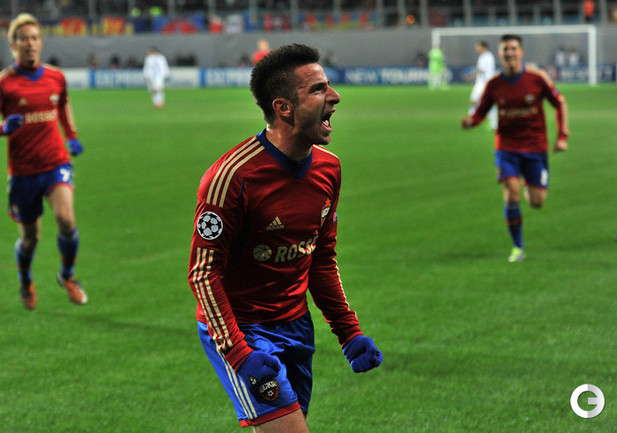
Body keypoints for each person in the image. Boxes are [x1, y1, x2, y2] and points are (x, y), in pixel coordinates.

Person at [188, 43, 383, 432]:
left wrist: (349, 332)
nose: (335, 97)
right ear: (283, 108)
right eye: (318, 90)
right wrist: (239, 353)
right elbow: (203, 274)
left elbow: (320, 259)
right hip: (242, 330)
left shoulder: (329, 169)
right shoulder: (232, 178)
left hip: (296, 326)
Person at [1, 13, 87, 310]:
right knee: (30, 238)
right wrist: (3, 128)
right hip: (23, 171)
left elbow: (63, 106)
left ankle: (68, 275)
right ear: (13, 44)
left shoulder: (55, 77)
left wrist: (71, 136)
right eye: (24, 39)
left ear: (41, 42)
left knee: (66, 219)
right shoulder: (5, 83)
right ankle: (25, 278)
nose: (31, 43)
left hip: (55, 162)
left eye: (35, 38)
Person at [461, 34, 569, 263]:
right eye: (505, 49)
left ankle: (525, 181)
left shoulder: (537, 78)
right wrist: (471, 122)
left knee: (537, 202)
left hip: (535, 147)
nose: (509, 53)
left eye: (513, 48)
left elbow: (559, 103)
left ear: (521, 52)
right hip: (506, 148)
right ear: (500, 54)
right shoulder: (494, 84)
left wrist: (562, 136)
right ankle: (517, 247)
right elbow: (481, 113)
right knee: (511, 193)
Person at [465, 41, 497, 130]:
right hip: (484, 82)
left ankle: (471, 119)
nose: (476, 49)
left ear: (483, 47)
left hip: (483, 83)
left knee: (475, 100)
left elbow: (482, 70)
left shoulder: (486, 57)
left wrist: (471, 76)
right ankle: (493, 123)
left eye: (478, 47)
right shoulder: (487, 56)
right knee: (484, 102)